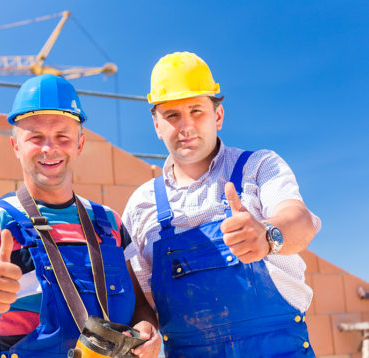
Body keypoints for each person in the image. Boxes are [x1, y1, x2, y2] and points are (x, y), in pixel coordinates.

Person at [0, 74, 161, 358]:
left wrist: (147, 327)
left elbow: (140, 305)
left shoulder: (110, 223)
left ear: (79, 144)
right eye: (35, 137)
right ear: (16, 146)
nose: (49, 148)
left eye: (62, 137)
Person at [123, 51, 321, 357]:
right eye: (172, 115)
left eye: (196, 110)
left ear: (218, 115)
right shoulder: (141, 206)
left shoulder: (258, 167)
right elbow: (142, 301)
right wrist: (144, 327)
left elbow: (301, 221)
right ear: (157, 126)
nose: (185, 126)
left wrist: (268, 236)